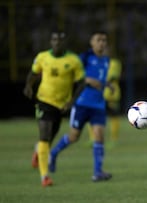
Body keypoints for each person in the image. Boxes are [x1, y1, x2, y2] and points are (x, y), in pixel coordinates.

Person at [23, 29, 85, 187]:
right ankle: (45, 177)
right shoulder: (42, 57)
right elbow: (33, 73)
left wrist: (72, 101)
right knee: (44, 135)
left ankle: (39, 151)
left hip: (62, 104)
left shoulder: (73, 60)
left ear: (65, 42)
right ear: (51, 41)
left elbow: (81, 83)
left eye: (61, 39)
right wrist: (29, 86)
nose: (58, 42)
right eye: (55, 39)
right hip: (44, 100)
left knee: (50, 137)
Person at [49, 31, 112, 182]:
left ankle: (97, 172)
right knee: (74, 137)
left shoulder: (106, 60)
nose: (102, 43)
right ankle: (53, 153)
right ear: (91, 42)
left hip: (98, 105)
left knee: (99, 136)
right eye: (98, 40)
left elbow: (100, 79)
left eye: (104, 40)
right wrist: (89, 80)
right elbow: (73, 75)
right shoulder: (84, 57)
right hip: (82, 103)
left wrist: (107, 84)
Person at [87, 51, 122, 148]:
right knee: (92, 116)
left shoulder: (115, 63)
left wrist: (96, 79)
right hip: (98, 93)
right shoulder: (98, 62)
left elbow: (112, 77)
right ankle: (92, 138)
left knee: (113, 116)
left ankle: (114, 139)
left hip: (111, 93)